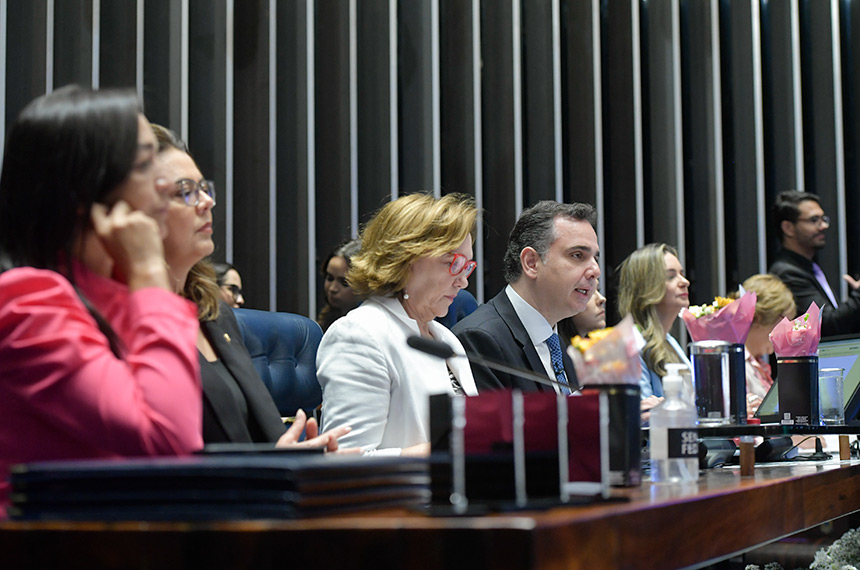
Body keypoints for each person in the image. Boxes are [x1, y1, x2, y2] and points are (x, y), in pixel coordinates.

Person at [0, 86, 202, 516]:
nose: (165, 184)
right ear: (85, 193)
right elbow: (167, 445)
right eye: (146, 164)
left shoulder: (111, 296)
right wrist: (149, 273)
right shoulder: (27, 301)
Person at [152, 124, 347, 448]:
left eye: (204, 188)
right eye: (185, 191)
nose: (206, 202)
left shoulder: (215, 314)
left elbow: (259, 439)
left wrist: (296, 460)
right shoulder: (119, 318)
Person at [316, 192, 479, 455]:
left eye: (467, 266)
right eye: (452, 263)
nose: (463, 281)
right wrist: (445, 452)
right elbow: (346, 464)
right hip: (400, 495)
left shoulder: (446, 338)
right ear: (403, 261)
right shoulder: (359, 335)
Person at [453, 201, 599, 394]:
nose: (595, 271)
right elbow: (498, 424)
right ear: (531, 263)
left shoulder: (555, 340)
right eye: (577, 255)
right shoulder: (481, 339)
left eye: (595, 258)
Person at [769, 190, 860, 337]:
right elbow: (825, 325)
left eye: (823, 219)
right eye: (814, 220)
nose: (823, 225)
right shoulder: (787, 273)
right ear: (788, 228)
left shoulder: (808, 266)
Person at [617, 243, 692, 408]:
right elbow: (642, 415)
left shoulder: (670, 341)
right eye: (671, 276)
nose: (685, 282)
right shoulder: (630, 345)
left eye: (682, 274)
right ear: (646, 287)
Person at [733, 274, 796, 417]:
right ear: (758, 318)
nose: (788, 331)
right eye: (785, 322)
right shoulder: (735, 364)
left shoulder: (758, 364)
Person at [317, 239, 361, 331]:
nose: (333, 289)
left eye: (344, 282)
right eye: (330, 278)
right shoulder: (327, 318)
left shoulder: (365, 325)